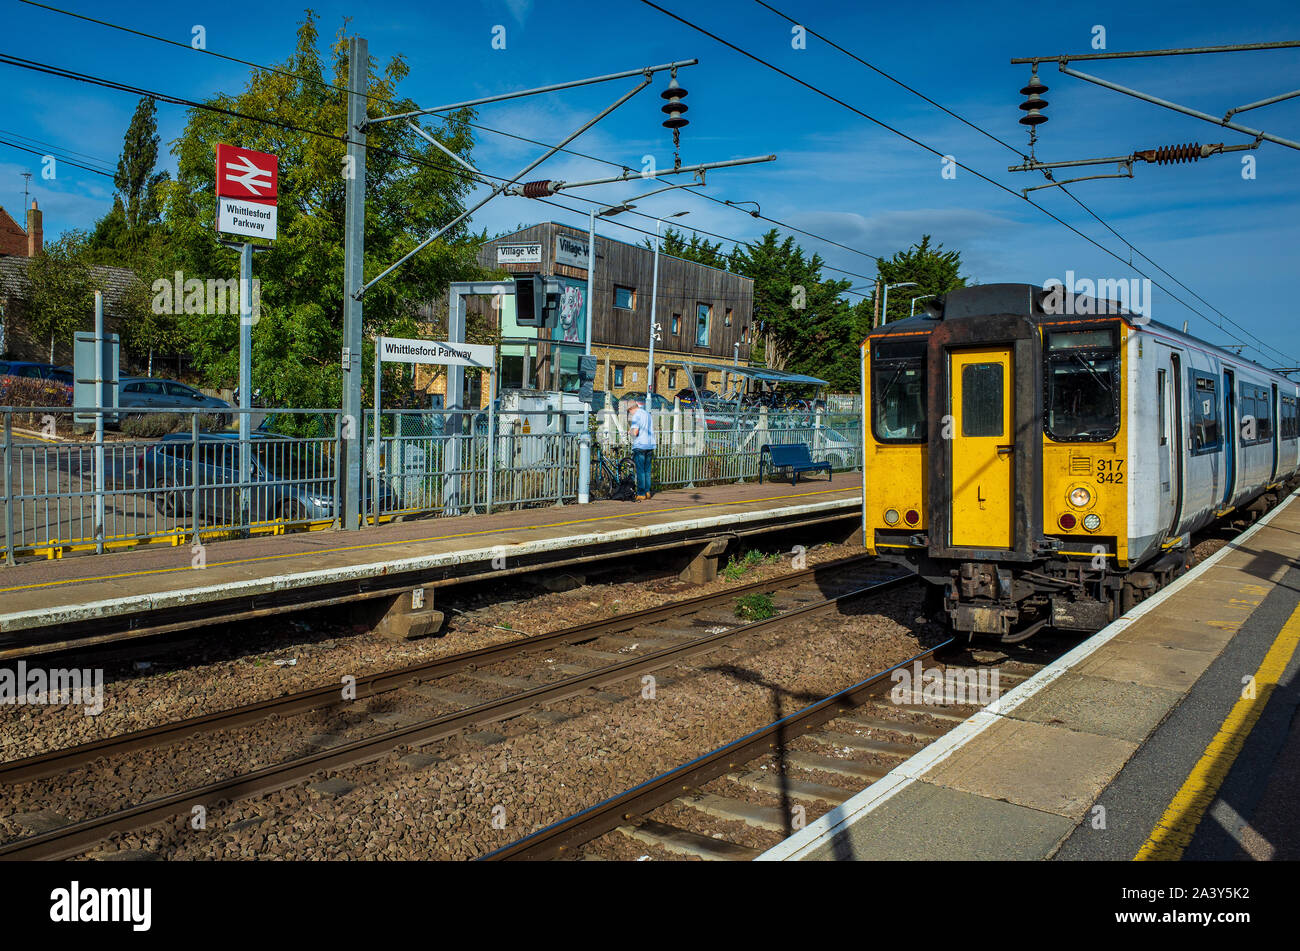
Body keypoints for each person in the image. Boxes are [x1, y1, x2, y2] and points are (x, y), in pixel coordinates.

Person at [626, 398, 656, 501]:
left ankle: (641, 493)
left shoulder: (636, 416)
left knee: (640, 471)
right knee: (647, 471)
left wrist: (629, 432)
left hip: (640, 445)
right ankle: (647, 492)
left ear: (631, 409)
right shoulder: (647, 414)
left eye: (629, 411)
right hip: (650, 444)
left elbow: (635, 432)